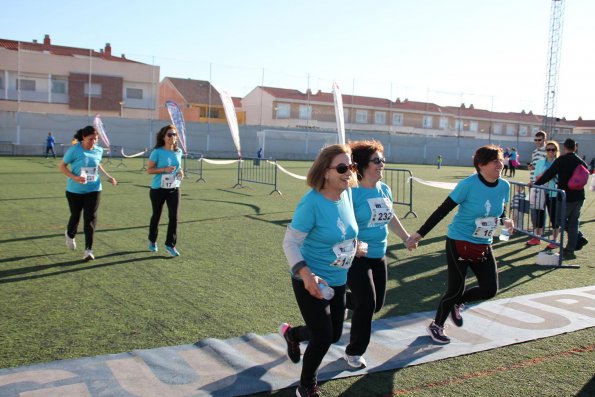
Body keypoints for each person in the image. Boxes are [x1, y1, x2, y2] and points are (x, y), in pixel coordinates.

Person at [406, 145, 513, 344]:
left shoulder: (504, 185)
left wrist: (505, 219)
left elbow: (501, 206)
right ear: (481, 165)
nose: (500, 164)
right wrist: (420, 234)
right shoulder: (468, 184)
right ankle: (436, 325)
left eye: (501, 160)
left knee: (490, 289)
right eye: (495, 161)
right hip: (460, 241)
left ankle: (459, 302)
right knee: (455, 288)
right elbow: (443, 210)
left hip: (484, 243)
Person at [280, 144, 359, 397]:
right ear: (325, 172)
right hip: (310, 280)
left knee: (334, 333)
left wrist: (355, 246)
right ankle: (306, 385)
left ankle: (293, 334)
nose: (349, 172)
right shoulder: (311, 203)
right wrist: (305, 274)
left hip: (338, 279)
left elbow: (343, 232)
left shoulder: (345, 195)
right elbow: (290, 242)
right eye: (342, 167)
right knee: (324, 336)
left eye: (351, 166)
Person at [344, 140, 412, 368]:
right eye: (377, 160)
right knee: (366, 303)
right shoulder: (351, 193)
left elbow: (390, 216)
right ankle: (354, 352)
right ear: (362, 164)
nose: (382, 164)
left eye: (382, 160)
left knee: (376, 304)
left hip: (379, 254)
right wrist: (355, 244)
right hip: (356, 257)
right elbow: (340, 224)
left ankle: (342, 300)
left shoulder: (384, 189)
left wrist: (405, 238)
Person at [59, 126, 117, 261]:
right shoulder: (74, 150)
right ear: (83, 138)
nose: (93, 142)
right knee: (75, 216)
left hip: (94, 189)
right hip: (75, 190)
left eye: (96, 139)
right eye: (90, 139)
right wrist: (75, 178)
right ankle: (70, 234)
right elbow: (62, 166)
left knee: (90, 218)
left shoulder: (98, 150)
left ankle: (88, 250)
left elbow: (98, 165)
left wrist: (108, 177)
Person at [533, 138, 589, 259]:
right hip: (579, 196)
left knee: (559, 220)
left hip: (565, 196)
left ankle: (577, 237)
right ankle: (570, 249)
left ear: (565, 148)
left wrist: (536, 183)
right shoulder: (580, 161)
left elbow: (549, 174)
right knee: (573, 222)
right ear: (575, 148)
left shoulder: (561, 160)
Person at [147, 125, 184, 257]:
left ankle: (170, 245)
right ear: (163, 137)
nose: (172, 137)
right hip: (158, 189)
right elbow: (149, 170)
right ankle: (152, 240)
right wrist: (164, 170)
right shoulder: (157, 152)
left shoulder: (178, 151)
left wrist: (180, 172)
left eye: (174, 134)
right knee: (156, 216)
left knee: (174, 217)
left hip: (174, 188)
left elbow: (178, 167)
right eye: (169, 134)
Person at [534, 140, 561, 250]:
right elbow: (536, 177)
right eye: (548, 149)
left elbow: (560, 178)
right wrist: (544, 175)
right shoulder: (540, 162)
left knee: (554, 216)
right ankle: (537, 237)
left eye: (552, 149)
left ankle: (555, 240)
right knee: (539, 214)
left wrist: (552, 176)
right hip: (541, 191)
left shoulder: (559, 162)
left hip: (554, 193)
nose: (550, 152)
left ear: (556, 151)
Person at [526, 131, 547, 246]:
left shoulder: (547, 151)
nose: (537, 142)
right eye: (536, 140)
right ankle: (537, 233)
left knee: (538, 210)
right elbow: (535, 168)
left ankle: (537, 235)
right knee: (535, 209)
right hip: (534, 184)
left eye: (540, 140)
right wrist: (531, 179)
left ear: (544, 139)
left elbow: (546, 167)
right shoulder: (534, 152)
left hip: (542, 185)